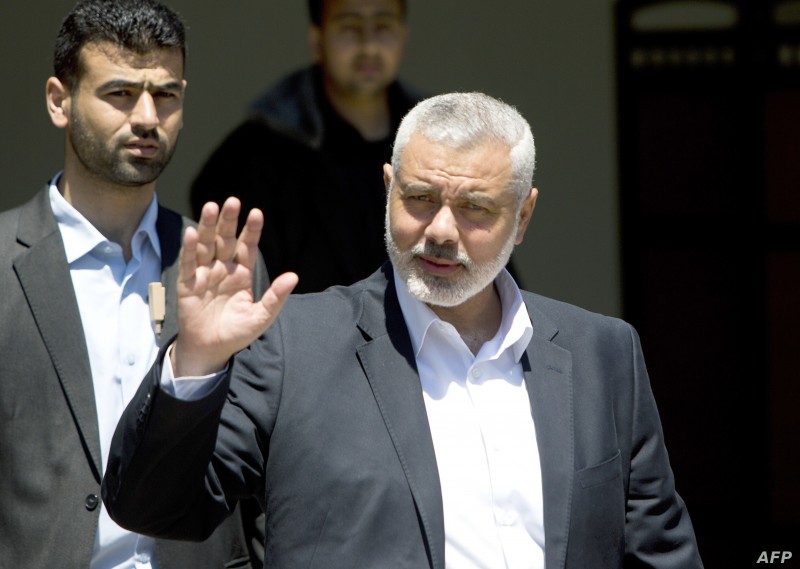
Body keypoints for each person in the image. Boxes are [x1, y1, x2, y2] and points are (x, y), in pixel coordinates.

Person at [103, 92, 704, 568]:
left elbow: (659, 552)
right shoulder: (296, 346)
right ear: (387, 188)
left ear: (522, 216)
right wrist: (196, 361)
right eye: (419, 198)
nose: (440, 230)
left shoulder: (602, 354)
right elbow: (152, 507)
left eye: (474, 208)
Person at [0, 1, 267, 567]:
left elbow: (263, 456)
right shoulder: (5, 261)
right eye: (120, 93)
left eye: (165, 95)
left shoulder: (222, 265)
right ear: (59, 101)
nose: (147, 116)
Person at [189, 0, 422, 293]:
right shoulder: (252, 155)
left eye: (383, 26)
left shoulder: (437, 142)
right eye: (350, 26)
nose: (369, 44)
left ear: (403, 35)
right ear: (317, 39)